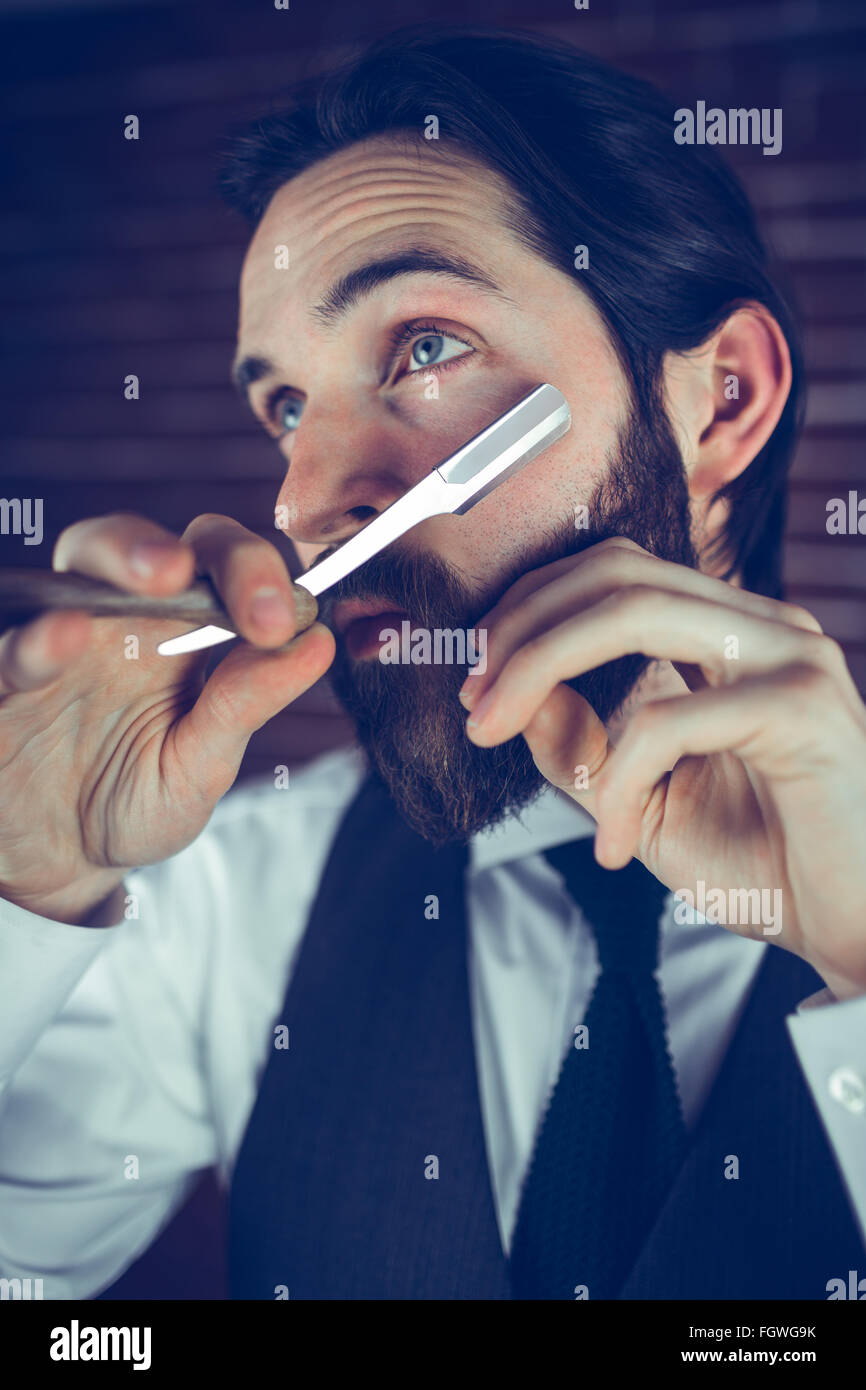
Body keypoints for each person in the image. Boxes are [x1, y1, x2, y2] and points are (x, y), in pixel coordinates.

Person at [1, 26, 864, 1301]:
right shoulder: (227, 904)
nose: (304, 504)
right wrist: (21, 891)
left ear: (719, 399)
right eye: (285, 406)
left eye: (421, 351)